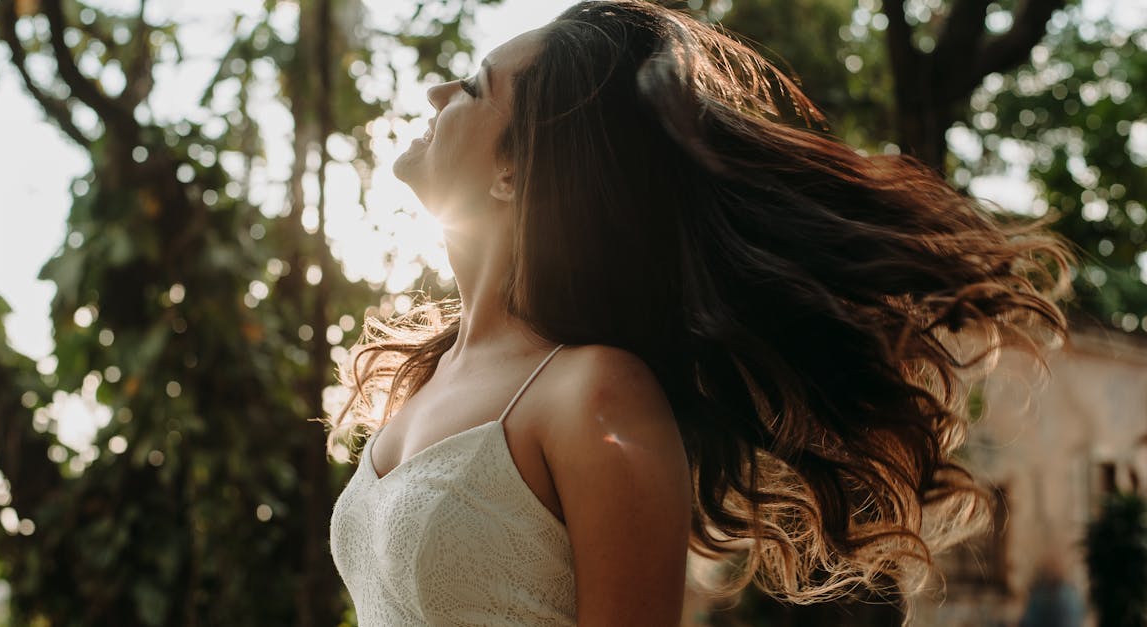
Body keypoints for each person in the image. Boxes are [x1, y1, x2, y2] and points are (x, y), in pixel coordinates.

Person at [327, 1, 1071, 625]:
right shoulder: (422, 372)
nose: (435, 93)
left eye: (474, 87)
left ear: (515, 169)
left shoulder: (592, 393)